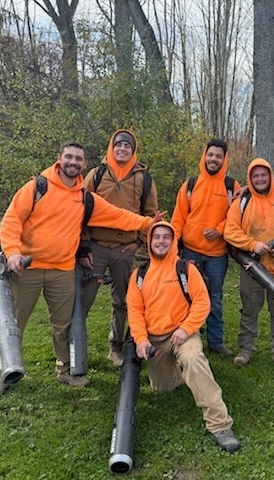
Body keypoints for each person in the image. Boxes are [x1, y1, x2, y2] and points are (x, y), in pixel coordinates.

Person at [0, 140, 162, 400]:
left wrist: (148, 223)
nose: (73, 162)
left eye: (78, 159)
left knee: (63, 326)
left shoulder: (85, 198)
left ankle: (65, 370)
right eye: (69, 157)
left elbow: (117, 215)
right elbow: (10, 221)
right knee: (14, 324)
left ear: (84, 164)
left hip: (63, 271)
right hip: (28, 270)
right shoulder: (37, 187)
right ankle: (3, 375)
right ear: (59, 158)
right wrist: (12, 253)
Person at [126, 221, 240, 453]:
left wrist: (186, 329)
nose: (160, 241)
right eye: (156, 237)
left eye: (166, 237)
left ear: (173, 241)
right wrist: (141, 340)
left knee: (192, 359)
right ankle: (180, 374)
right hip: (154, 339)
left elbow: (202, 302)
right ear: (150, 242)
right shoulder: (139, 275)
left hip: (181, 334)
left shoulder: (185, 268)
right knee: (163, 388)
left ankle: (220, 424)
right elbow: (135, 311)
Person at [78, 130, 158, 366]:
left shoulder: (144, 179)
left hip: (125, 250)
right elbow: (80, 209)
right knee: (84, 300)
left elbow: (151, 215)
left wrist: (138, 242)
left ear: (134, 151)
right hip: (96, 249)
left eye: (127, 146)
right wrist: (84, 246)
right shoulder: (96, 174)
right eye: (118, 145)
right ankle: (75, 349)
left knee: (122, 301)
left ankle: (116, 346)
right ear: (111, 148)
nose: (122, 149)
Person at [223, 159, 274, 372]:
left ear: (270, 176)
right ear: (250, 179)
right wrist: (253, 244)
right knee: (250, 310)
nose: (260, 179)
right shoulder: (243, 201)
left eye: (263, 175)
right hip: (253, 268)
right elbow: (230, 230)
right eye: (255, 176)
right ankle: (245, 350)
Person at [170, 139, 240, 357]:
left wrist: (219, 230)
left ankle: (216, 342)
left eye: (218, 156)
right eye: (211, 155)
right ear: (204, 155)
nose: (213, 159)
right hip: (190, 252)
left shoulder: (231, 186)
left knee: (214, 298)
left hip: (217, 256)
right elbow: (178, 219)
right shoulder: (190, 184)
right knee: (188, 297)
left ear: (224, 159)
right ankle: (191, 340)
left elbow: (236, 217)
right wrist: (173, 248)